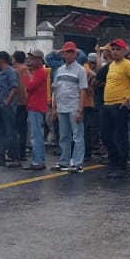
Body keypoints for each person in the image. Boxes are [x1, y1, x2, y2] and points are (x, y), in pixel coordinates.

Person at [101, 39, 130, 178]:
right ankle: (114, 160)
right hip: (107, 104)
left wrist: (128, 97)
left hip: (120, 104)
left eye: (118, 49)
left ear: (124, 51)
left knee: (120, 137)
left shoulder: (127, 65)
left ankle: (121, 166)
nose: (114, 52)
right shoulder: (112, 65)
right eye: (113, 49)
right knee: (105, 135)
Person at [51, 42, 90, 173]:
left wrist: (80, 110)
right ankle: (64, 161)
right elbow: (56, 90)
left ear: (76, 53)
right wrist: (54, 108)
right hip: (61, 107)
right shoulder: (59, 70)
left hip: (74, 107)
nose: (69, 54)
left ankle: (78, 163)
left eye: (72, 52)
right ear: (63, 53)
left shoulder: (80, 70)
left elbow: (83, 91)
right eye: (67, 52)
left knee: (77, 136)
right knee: (63, 136)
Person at [0, 51, 22, 168]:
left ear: (1, 60)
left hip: (7, 107)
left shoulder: (11, 71)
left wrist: (7, 101)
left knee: (11, 133)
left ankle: (16, 158)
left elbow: (14, 87)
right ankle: (0, 158)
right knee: (0, 133)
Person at [21, 48, 51, 171]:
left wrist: (25, 75)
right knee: (37, 134)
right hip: (36, 106)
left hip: (36, 106)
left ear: (39, 60)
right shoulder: (39, 72)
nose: (30, 61)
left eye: (33, 59)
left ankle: (37, 161)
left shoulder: (40, 72)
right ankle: (39, 160)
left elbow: (29, 86)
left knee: (36, 135)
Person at [83, 52, 100, 163]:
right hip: (87, 102)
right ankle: (87, 152)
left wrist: (87, 84)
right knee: (87, 128)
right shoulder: (86, 68)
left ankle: (87, 152)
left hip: (88, 103)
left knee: (86, 128)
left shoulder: (85, 68)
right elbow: (95, 74)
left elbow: (94, 75)